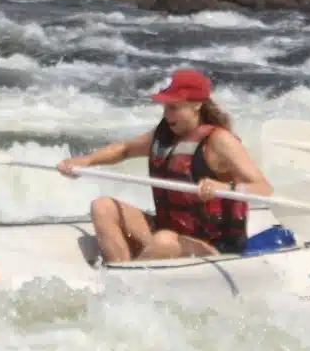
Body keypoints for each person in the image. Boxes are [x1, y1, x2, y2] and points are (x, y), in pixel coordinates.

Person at [56, 68, 274, 262]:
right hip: (167, 232)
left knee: (164, 241)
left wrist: (223, 188)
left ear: (197, 105)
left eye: (174, 108)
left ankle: (130, 281)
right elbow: (124, 149)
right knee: (102, 207)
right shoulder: (164, 136)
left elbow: (263, 188)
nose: (167, 115)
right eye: (165, 108)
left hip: (213, 247)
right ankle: (120, 274)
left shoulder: (220, 141)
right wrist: (84, 161)